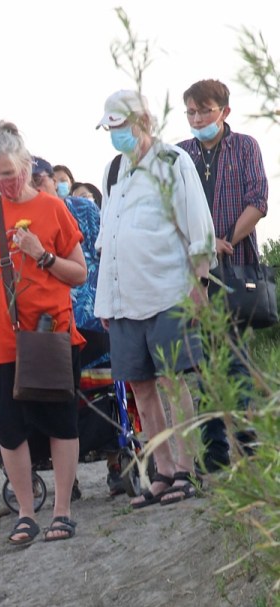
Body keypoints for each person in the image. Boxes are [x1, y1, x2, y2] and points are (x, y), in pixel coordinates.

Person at [0, 120, 87, 546]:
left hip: (49, 334)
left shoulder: (53, 209)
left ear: (27, 165)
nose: (5, 183)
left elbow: (79, 273)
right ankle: (27, 514)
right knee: (8, 430)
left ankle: (62, 511)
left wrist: (42, 255)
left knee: (59, 422)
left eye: (10, 173)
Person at [94, 88, 216, 506]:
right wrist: (104, 301)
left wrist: (199, 285)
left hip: (169, 293)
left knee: (172, 380)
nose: (116, 135)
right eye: (110, 128)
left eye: (121, 126)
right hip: (124, 299)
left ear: (143, 121)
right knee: (141, 388)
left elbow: (198, 226)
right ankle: (162, 471)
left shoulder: (172, 161)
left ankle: (187, 468)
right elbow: (106, 240)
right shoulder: (114, 171)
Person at [177, 77, 269, 469]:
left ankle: (249, 448)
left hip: (234, 270)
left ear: (224, 111)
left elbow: (258, 200)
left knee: (234, 360)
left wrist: (224, 238)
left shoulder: (245, 146)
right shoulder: (180, 154)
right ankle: (214, 454)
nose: (197, 119)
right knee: (203, 364)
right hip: (192, 277)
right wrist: (201, 243)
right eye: (191, 112)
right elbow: (171, 209)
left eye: (204, 110)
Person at [32, 156, 105, 364]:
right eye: (28, 184)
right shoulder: (27, 219)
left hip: (92, 312)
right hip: (51, 318)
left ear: (54, 181)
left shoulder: (83, 208)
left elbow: (104, 254)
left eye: (38, 180)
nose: (34, 188)